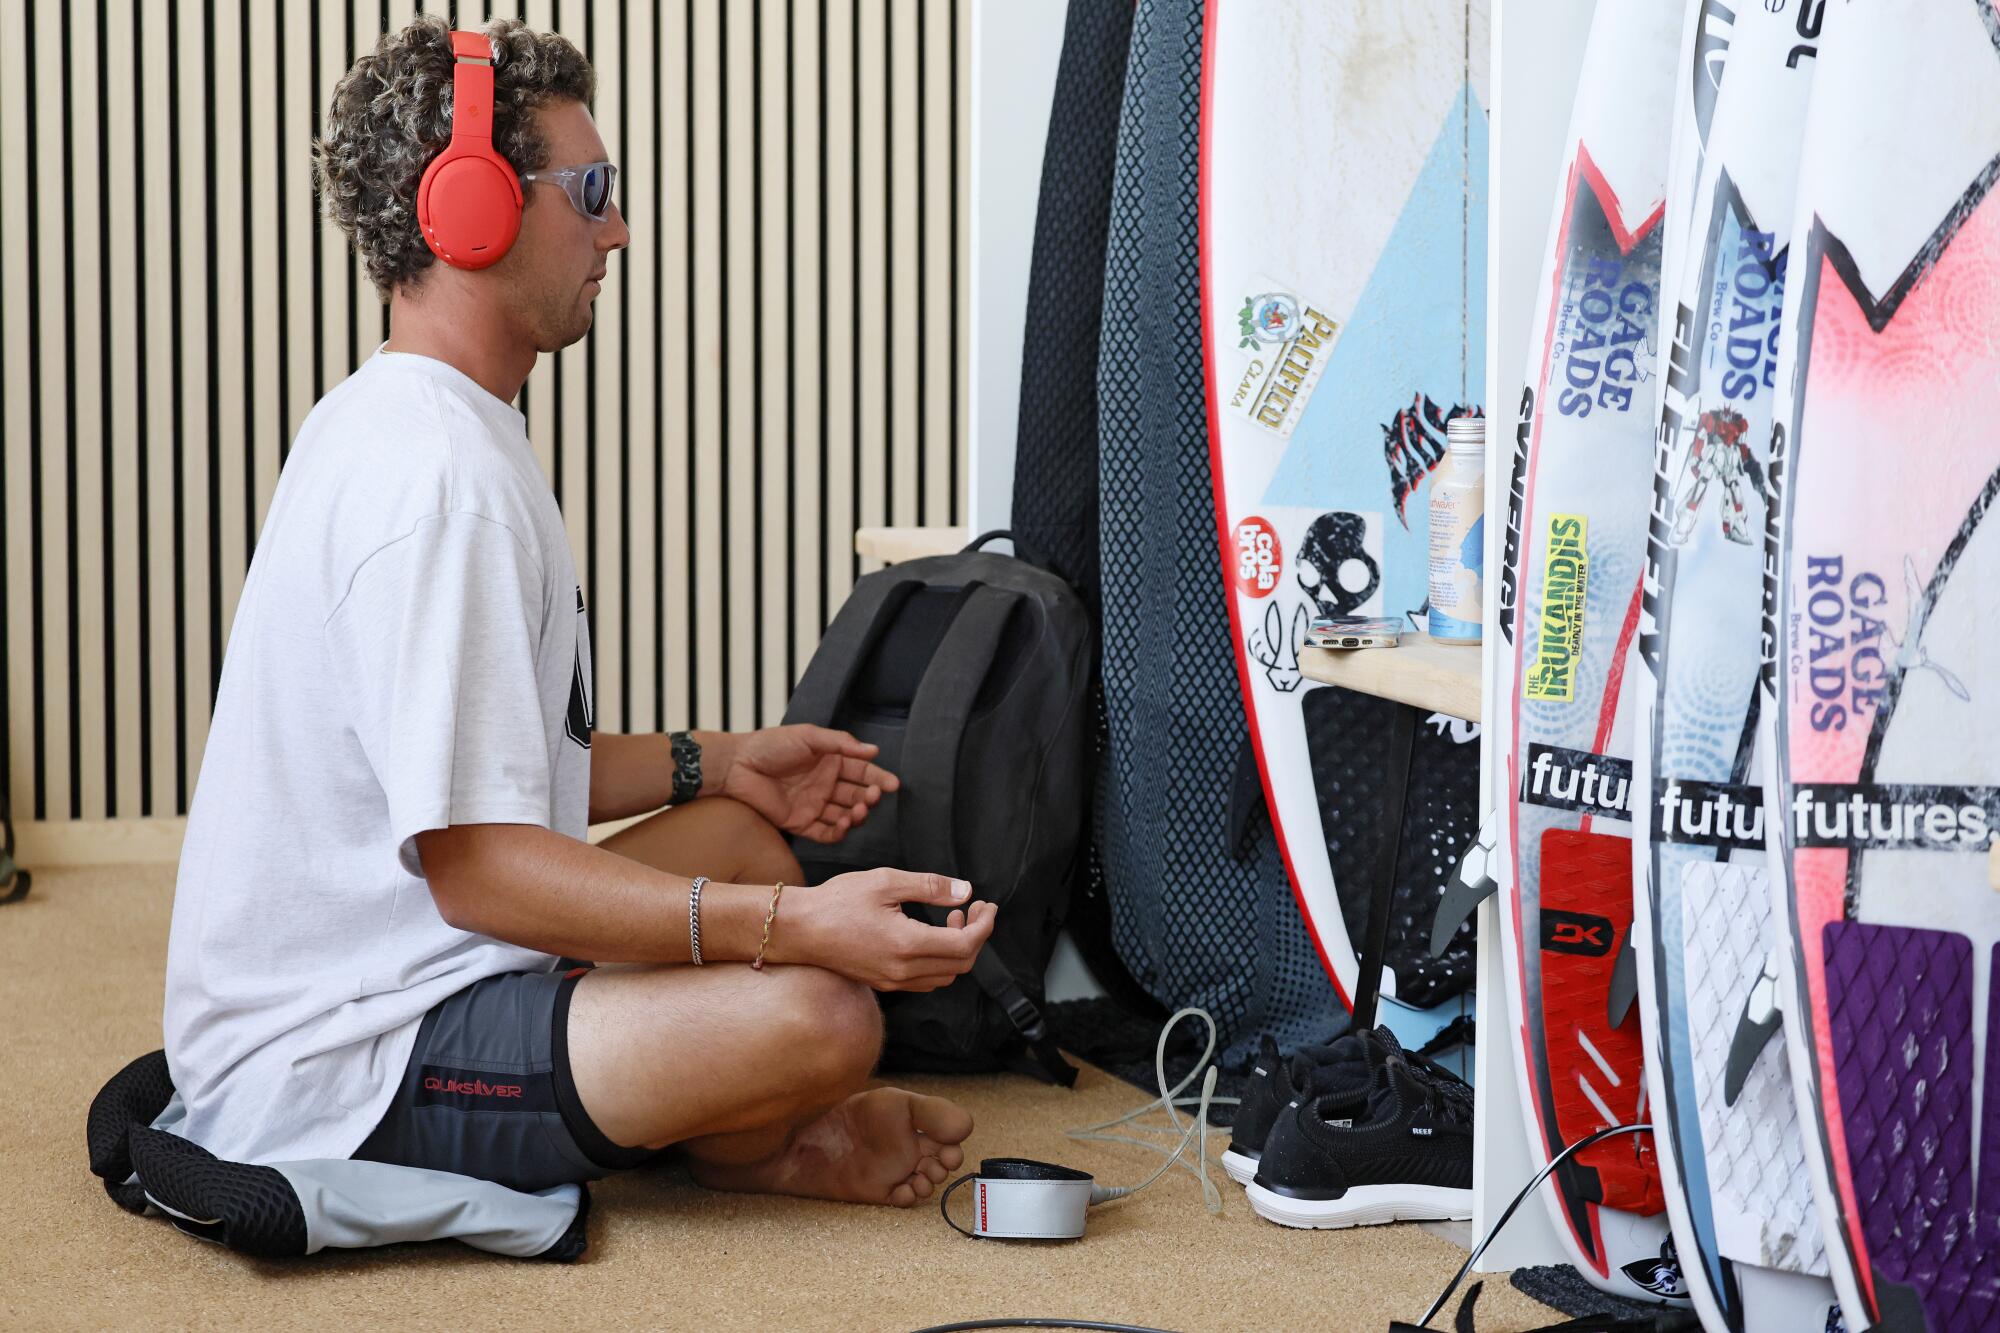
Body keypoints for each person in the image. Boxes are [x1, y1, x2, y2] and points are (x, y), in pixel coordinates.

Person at [162, 15, 993, 1208]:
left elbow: (488, 767)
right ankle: (762, 1133)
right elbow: (482, 871)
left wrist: (720, 764)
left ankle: (742, 1132)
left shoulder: (418, 421)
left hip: (424, 953)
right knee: (820, 1010)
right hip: (341, 1061)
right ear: (471, 213)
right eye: (590, 189)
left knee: (742, 839)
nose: (616, 226)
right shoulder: (439, 485)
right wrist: (796, 932)